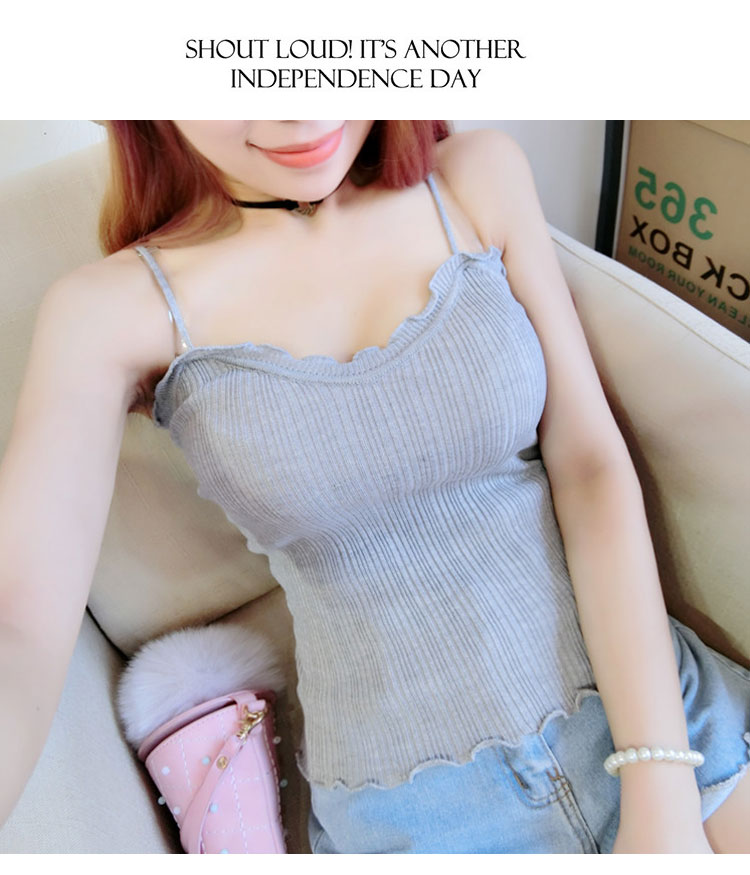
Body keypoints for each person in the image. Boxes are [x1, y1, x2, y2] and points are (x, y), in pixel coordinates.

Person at [0, 120, 748, 854]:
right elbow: (19, 623)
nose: (296, 107)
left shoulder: (475, 178)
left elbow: (589, 467)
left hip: (660, 719)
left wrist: (660, 783)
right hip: (414, 822)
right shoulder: (107, 312)